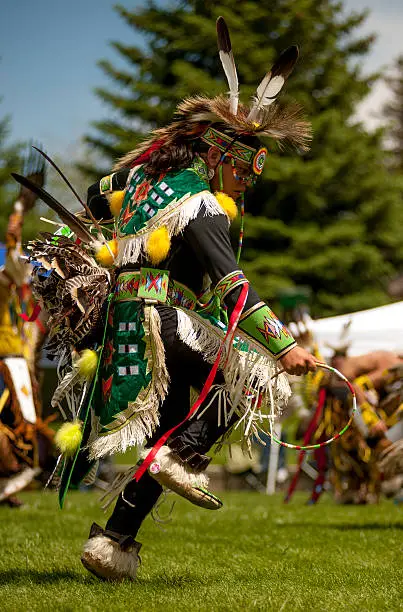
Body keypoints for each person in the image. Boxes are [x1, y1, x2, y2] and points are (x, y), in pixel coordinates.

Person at [25, 18, 316, 581]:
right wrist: (285, 347)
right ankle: (185, 456)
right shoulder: (202, 204)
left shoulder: (141, 184)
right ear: (220, 157)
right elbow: (233, 286)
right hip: (161, 321)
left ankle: (113, 544)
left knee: (169, 430)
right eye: (244, 170)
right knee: (253, 375)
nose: (247, 184)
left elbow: (95, 193)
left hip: (124, 330)